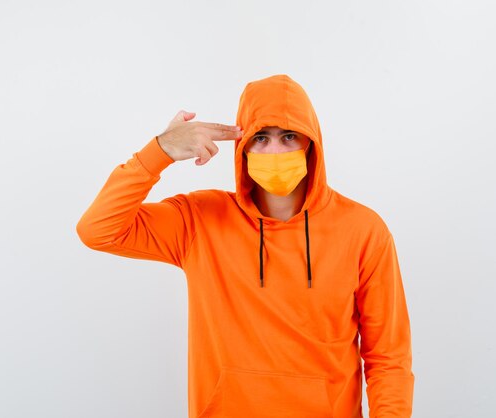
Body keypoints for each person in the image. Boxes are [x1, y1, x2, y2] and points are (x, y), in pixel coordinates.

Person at [77, 74, 415, 418]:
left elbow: (388, 359)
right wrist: (160, 151)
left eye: (289, 136)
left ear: (311, 143)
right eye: (261, 137)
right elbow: (98, 229)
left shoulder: (363, 230)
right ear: (241, 146)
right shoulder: (200, 221)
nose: (275, 151)